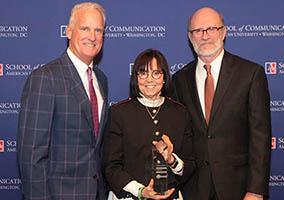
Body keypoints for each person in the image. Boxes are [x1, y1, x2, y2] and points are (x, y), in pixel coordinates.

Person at [172, 7, 272, 200]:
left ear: (224, 32)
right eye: (197, 31)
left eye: (211, 29)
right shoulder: (179, 79)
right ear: (190, 37)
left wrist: (256, 190)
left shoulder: (250, 74)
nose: (205, 36)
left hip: (239, 187)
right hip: (193, 188)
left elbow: (260, 137)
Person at [17, 2, 108, 200]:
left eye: (98, 30)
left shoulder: (101, 79)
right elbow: (31, 157)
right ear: (68, 32)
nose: (92, 37)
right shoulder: (45, 78)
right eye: (85, 28)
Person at [103, 49, 195, 200]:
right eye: (143, 73)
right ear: (136, 78)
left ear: (164, 77)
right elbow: (111, 167)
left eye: (156, 73)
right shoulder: (119, 113)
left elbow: (190, 165)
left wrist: (172, 160)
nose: (149, 80)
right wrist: (140, 191)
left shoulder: (180, 113)